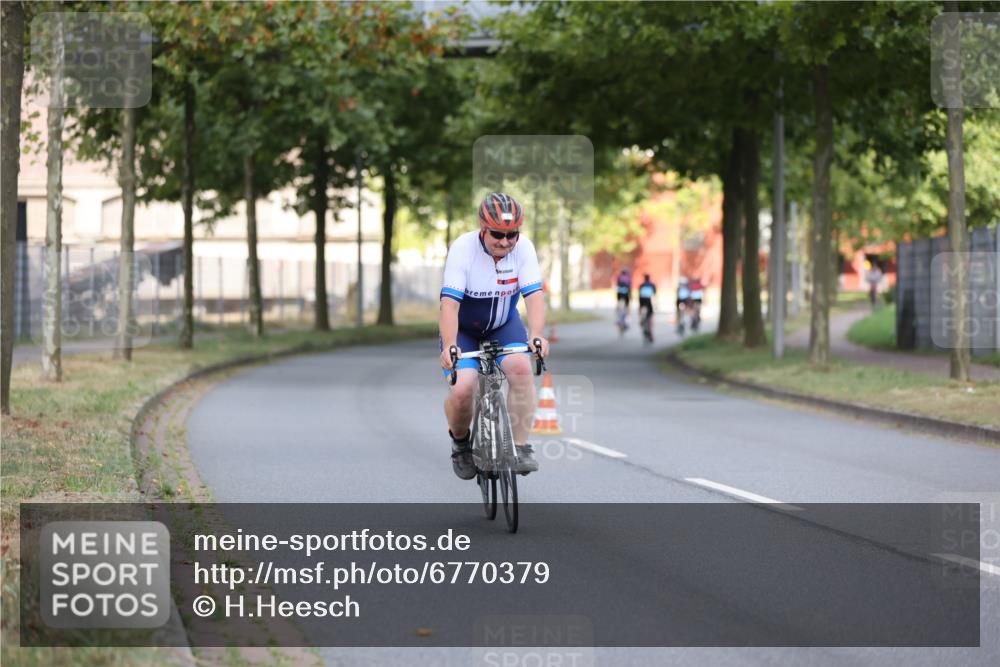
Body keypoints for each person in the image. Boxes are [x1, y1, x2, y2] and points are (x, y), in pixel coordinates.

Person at [439, 192, 549, 480]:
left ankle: (521, 447)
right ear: (483, 229)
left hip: (503, 324)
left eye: (512, 234)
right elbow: (449, 304)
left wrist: (537, 335)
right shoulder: (463, 248)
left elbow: (534, 296)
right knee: (463, 388)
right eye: (497, 234)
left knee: (521, 368)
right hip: (463, 329)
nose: (505, 241)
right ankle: (461, 442)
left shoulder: (523, 248)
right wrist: (449, 345)